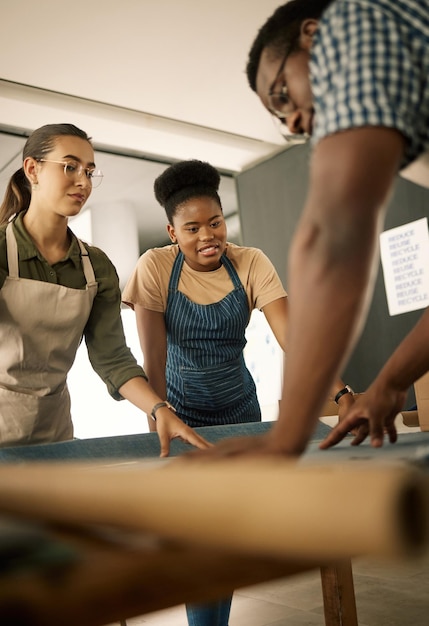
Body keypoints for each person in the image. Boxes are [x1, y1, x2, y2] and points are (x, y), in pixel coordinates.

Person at [187, 0, 429, 459]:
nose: (294, 121)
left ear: (313, 35)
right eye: (282, 120)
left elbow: (331, 239)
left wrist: (286, 438)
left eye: (281, 96)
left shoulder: (354, 20)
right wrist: (390, 385)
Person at [122, 158, 353, 626]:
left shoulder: (251, 262)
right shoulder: (154, 267)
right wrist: (159, 428)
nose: (208, 236)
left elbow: (296, 340)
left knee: (226, 536)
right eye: (192, 228)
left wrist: (342, 391)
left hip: (240, 414)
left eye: (215, 222)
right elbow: (154, 361)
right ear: (171, 232)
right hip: (184, 419)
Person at [0, 122, 211, 455]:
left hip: (53, 431)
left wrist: (159, 409)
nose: (83, 181)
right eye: (70, 167)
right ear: (32, 169)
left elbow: (112, 358)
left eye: (90, 171)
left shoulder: (95, 267)